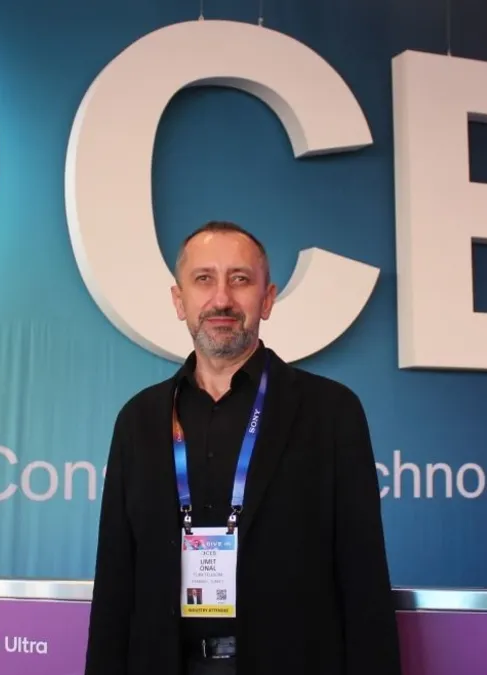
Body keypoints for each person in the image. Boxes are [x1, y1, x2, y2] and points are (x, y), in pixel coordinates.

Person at [84, 220, 401, 675]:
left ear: (267, 299)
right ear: (179, 300)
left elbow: (363, 577)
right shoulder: (138, 421)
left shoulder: (332, 413)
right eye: (203, 279)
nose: (222, 300)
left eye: (240, 280)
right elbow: (116, 581)